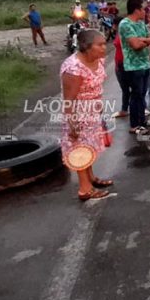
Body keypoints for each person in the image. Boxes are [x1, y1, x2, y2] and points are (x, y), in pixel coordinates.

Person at [60, 29, 113, 201]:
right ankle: (84, 189)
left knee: (90, 147)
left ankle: (91, 178)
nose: (104, 48)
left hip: (92, 112)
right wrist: (72, 123)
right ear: (85, 47)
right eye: (100, 45)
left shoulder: (98, 60)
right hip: (78, 114)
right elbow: (69, 99)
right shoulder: (74, 68)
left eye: (105, 43)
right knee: (79, 150)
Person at [118, 0, 150, 134]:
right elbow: (136, 46)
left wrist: (142, 40)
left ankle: (142, 121)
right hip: (133, 67)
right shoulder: (125, 24)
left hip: (145, 64)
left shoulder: (141, 24)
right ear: (136, 10)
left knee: (142, 95)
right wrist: (143, 41)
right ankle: (134, 125)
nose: (145, 12)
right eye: (143, 9)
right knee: (136, 95)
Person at [111, 33, 131, 119]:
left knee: (133, 88)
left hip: (126, 64)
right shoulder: (118, 34)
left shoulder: (124, 34)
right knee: (125, 89)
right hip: (119, 64)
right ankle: (125, 109)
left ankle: (139, 108)